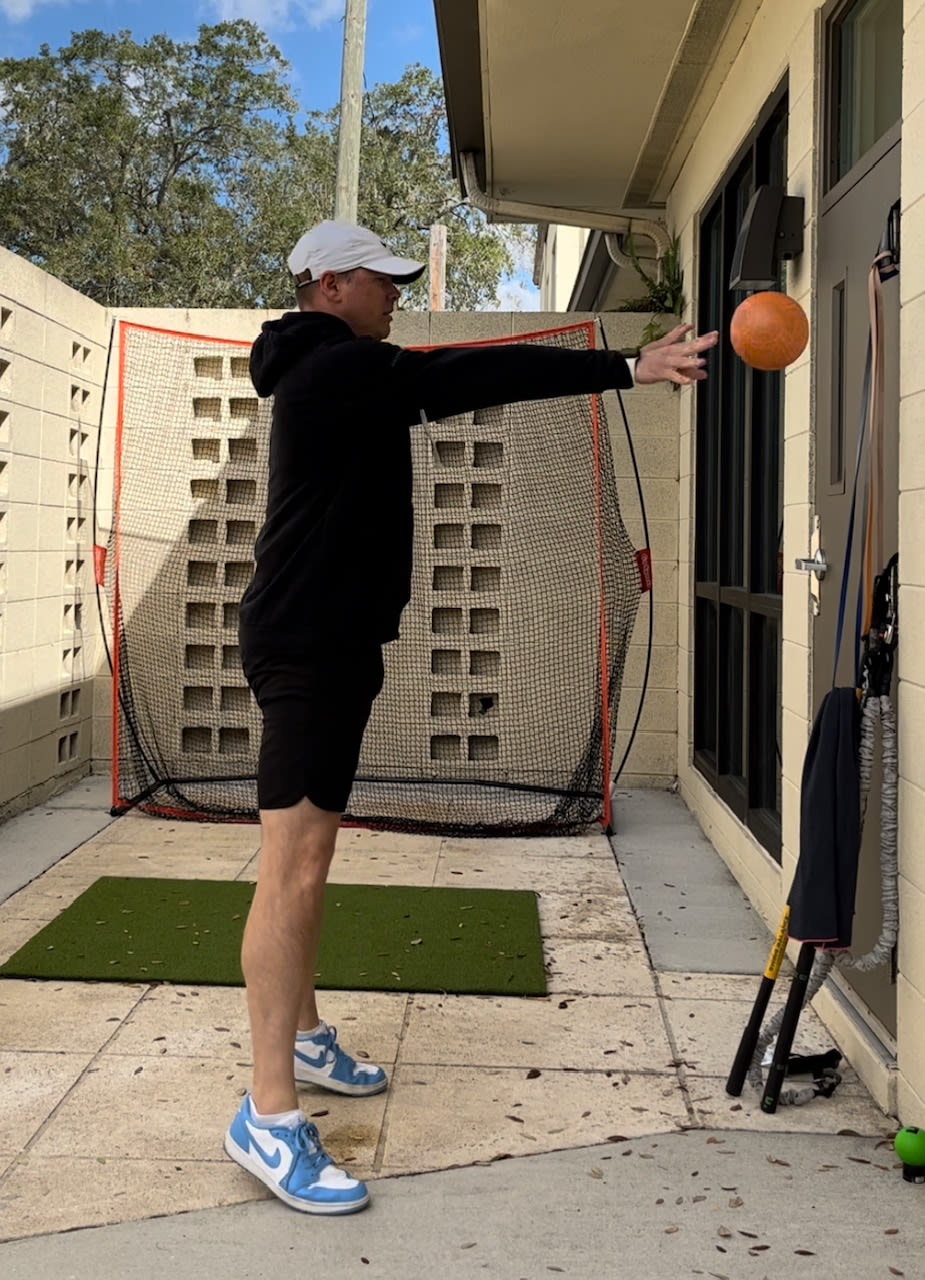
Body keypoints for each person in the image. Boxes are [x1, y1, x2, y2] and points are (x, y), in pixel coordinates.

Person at [224, 220, 719, 1214]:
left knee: (313, 857)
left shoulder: (333, 369)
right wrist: (629, 367)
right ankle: (266, 1114)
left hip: (332, 640)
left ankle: (306, 1032)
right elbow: (463, 379)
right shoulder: (333, 372)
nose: (397, 293)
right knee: (294, 866)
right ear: (330, 284)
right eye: (383, 281)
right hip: (308, 645)